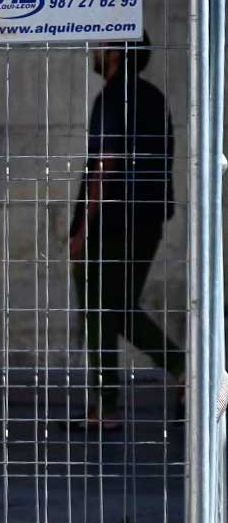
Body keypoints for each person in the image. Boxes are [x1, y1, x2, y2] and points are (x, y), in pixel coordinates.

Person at [70, 31, 185, 428]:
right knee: (111, 309)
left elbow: (104, 162)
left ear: (116, 52)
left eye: (99, 43)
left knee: (104, 308)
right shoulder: (153, 98)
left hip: (113, 220)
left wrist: (83, 227)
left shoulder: (113, 96)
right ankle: (106, 406)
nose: (93, 51)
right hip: (146, 219)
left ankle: (185, 370)